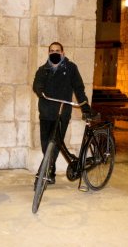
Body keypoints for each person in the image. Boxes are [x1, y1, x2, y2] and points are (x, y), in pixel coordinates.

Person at [32, 42, 92, 186]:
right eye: (52, 51)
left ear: (63, 53)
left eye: (57, 50)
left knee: (56, 144)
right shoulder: (43, 69)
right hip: (46, 112)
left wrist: (85, 108)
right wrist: (40, 90)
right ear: (48, 53)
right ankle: (50, 172)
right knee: (46, 145)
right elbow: (37, 84)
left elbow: (79, 89)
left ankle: (45, 173)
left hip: (62, 113)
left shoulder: (71, 68)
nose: (54, 53)